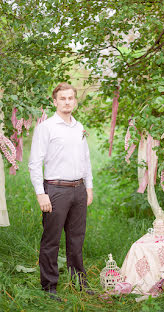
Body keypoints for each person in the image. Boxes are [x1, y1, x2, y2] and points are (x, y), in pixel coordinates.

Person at [28, 82, 93, 299]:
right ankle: (49, 287)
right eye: (62, 98)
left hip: (78, 189)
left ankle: (79, 282)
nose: (67, 102)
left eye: (70, 98)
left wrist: (89, 187)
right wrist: (41, 193)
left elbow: (86, 160)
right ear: (54, 102)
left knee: (76, 239)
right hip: (55, 190)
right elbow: (34, 163)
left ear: (75, 101)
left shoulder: (79, 127)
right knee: (51, 240)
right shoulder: (46, 127)